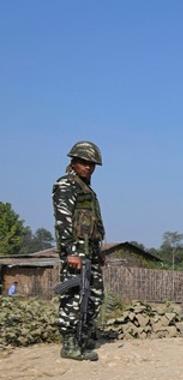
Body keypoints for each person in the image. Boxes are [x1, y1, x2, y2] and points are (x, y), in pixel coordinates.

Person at [53, 141, 106, 361]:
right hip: (75, 252)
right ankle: (69, 343)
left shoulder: (88, 191)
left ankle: (83, 337)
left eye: (92, 164)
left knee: (95, 296)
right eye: (84, 163)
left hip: (90, 251)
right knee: (74, 297)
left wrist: (98, 250)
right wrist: (70, 251)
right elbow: (63, 221)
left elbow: (92, 224)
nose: (88, 167)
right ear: (73, 162)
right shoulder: (65, 185)